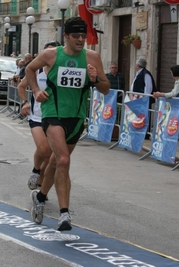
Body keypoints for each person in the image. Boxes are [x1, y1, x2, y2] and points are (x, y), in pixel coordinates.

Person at [25, 17, 110, 231]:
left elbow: (106, 88)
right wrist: (35, 91)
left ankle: (41, 197)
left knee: (56, 162)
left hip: (76, 117)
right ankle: (64, 214)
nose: (81, 40)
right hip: (53, 113)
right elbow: (29, 69)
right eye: (76, 36)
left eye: (83, 36)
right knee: (63, 159)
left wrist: (96, 79)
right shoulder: (51, 55)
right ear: (66, 37)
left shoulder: (92, 57)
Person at [18, 41, 59, 192]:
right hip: (37, 116)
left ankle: (41, 188)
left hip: (56, 117)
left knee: (51, 158)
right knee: (44, 149)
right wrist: (24, 103)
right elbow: (21, 87)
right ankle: (36, 170)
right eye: (47, 52)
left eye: (53, 52)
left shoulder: (62, 71)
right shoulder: (36, 71)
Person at [153, 65, 179, 154]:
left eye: (171, 72)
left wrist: (161, 94)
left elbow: (174, 93)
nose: (170, 73)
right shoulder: (178, 81)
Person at [131, 58, 156, 139]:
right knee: (139, 115)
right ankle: (139, 129)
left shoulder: (145, 74)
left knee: (145, 115)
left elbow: (148, 87)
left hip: (143, 99)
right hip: (137, 99)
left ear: (138, 65)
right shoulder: (139, 73)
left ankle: (145, 133)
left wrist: (145, 98)